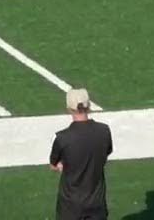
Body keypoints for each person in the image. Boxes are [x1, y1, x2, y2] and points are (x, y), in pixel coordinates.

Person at [49, 88, 112, 220]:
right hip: (96, 202)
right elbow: (105, 155)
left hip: (70, 205)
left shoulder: (62, 137)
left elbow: (53, 165)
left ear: (69, 108)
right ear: (88, 106)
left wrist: (61, 166)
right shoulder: (104, 131)